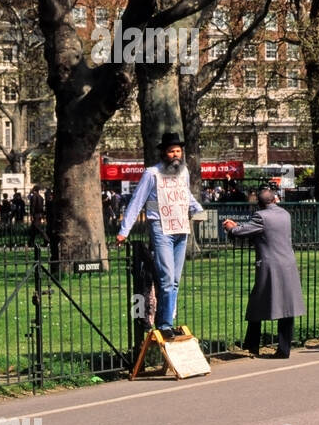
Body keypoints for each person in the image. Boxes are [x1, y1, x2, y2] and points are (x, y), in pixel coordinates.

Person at [117, 132, 204, 338]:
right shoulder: (152, 173)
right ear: (164, 153)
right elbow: (137, 201)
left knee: (174, 280)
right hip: (161, 228)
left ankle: (168, 319)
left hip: (181, 228)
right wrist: (124, 231)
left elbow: (187, 195)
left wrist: (198, 209)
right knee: (166, 278)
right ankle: (164, 324)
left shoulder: (184, 173)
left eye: (178, 151)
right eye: (171, 151)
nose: (176, 154)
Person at [222, 185, 306, 358]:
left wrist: (231, 227)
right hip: (288, 264)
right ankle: (283, 348)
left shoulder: (261, 216)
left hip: (270, 266)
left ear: (258, 203)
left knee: (257, 304)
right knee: (286, 307)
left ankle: (252, 344)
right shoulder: (285, 214)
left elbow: (242, 232)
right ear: (274, 199)